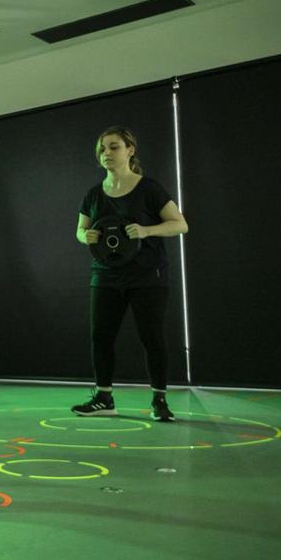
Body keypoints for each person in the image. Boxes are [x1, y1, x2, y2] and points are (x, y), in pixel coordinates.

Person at [72, 126, 189, 421]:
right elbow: (80, 230)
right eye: (102, 149)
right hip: (106, 276)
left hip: (148, 276)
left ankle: (160, 400)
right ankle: (104, 398)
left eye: (113, 147)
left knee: (153, 338)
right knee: (101, 337)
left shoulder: (149, 188)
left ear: (130, 151)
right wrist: (86, 237)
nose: (106, 153)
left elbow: (180, 224)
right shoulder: (93, 194)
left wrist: (148, 230)